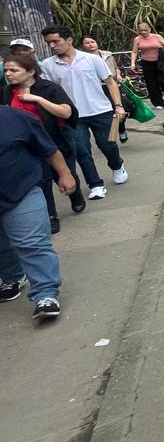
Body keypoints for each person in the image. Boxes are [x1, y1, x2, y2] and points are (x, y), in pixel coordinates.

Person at [0, 103, 77, 320]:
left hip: (22, 190)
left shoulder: (16, 118)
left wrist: (65, 174)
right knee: (2, 245)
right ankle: (12, 277)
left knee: (32, 243)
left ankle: (46, 293)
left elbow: (48, 149)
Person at [41, 25, 128, 201]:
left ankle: (117, 165)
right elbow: (47, 91)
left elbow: (110, 82)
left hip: (101, 111)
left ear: (69, 40)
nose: (52, 46)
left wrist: (118, 105)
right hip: (72, 116)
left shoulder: (91, 59)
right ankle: (95, 184)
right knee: (81, 151)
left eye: (55, 41)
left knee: (108, 144)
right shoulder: (48, 65)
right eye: (48, 42)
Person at [2, 54, 83, 232]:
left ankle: (75, 196)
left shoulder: (49, 88)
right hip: (27, 146)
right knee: (42, 179)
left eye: (14, 70)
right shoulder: (7, 92)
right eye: (6, 70)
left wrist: (37, 99)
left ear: (31, 71)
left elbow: (66, 113)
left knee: (64, 172)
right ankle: (51, 215)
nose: (8, 74)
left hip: (55, 140)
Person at [81, 35, 130, 144]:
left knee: (119, 110)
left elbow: (116, 67)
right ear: (83, 46)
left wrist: (118, 75)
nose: (90, 44)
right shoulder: (82, 59)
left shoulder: (107, 54)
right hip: (96, 88)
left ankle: (121, 129)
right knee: (107, 113)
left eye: (92, 41)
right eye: (87, 43)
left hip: (112, 85)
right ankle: (110, 138)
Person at [128, 22, 164, 109]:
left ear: (149, 29)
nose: (143, 32)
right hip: (146, 62)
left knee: (163, 81)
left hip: (159, 62)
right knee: (151, 84)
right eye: (141, 31)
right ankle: (158, 102)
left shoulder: (157, 37)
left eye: (145, 30)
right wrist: (132, 63)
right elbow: (134, 51)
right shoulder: (137, 39)